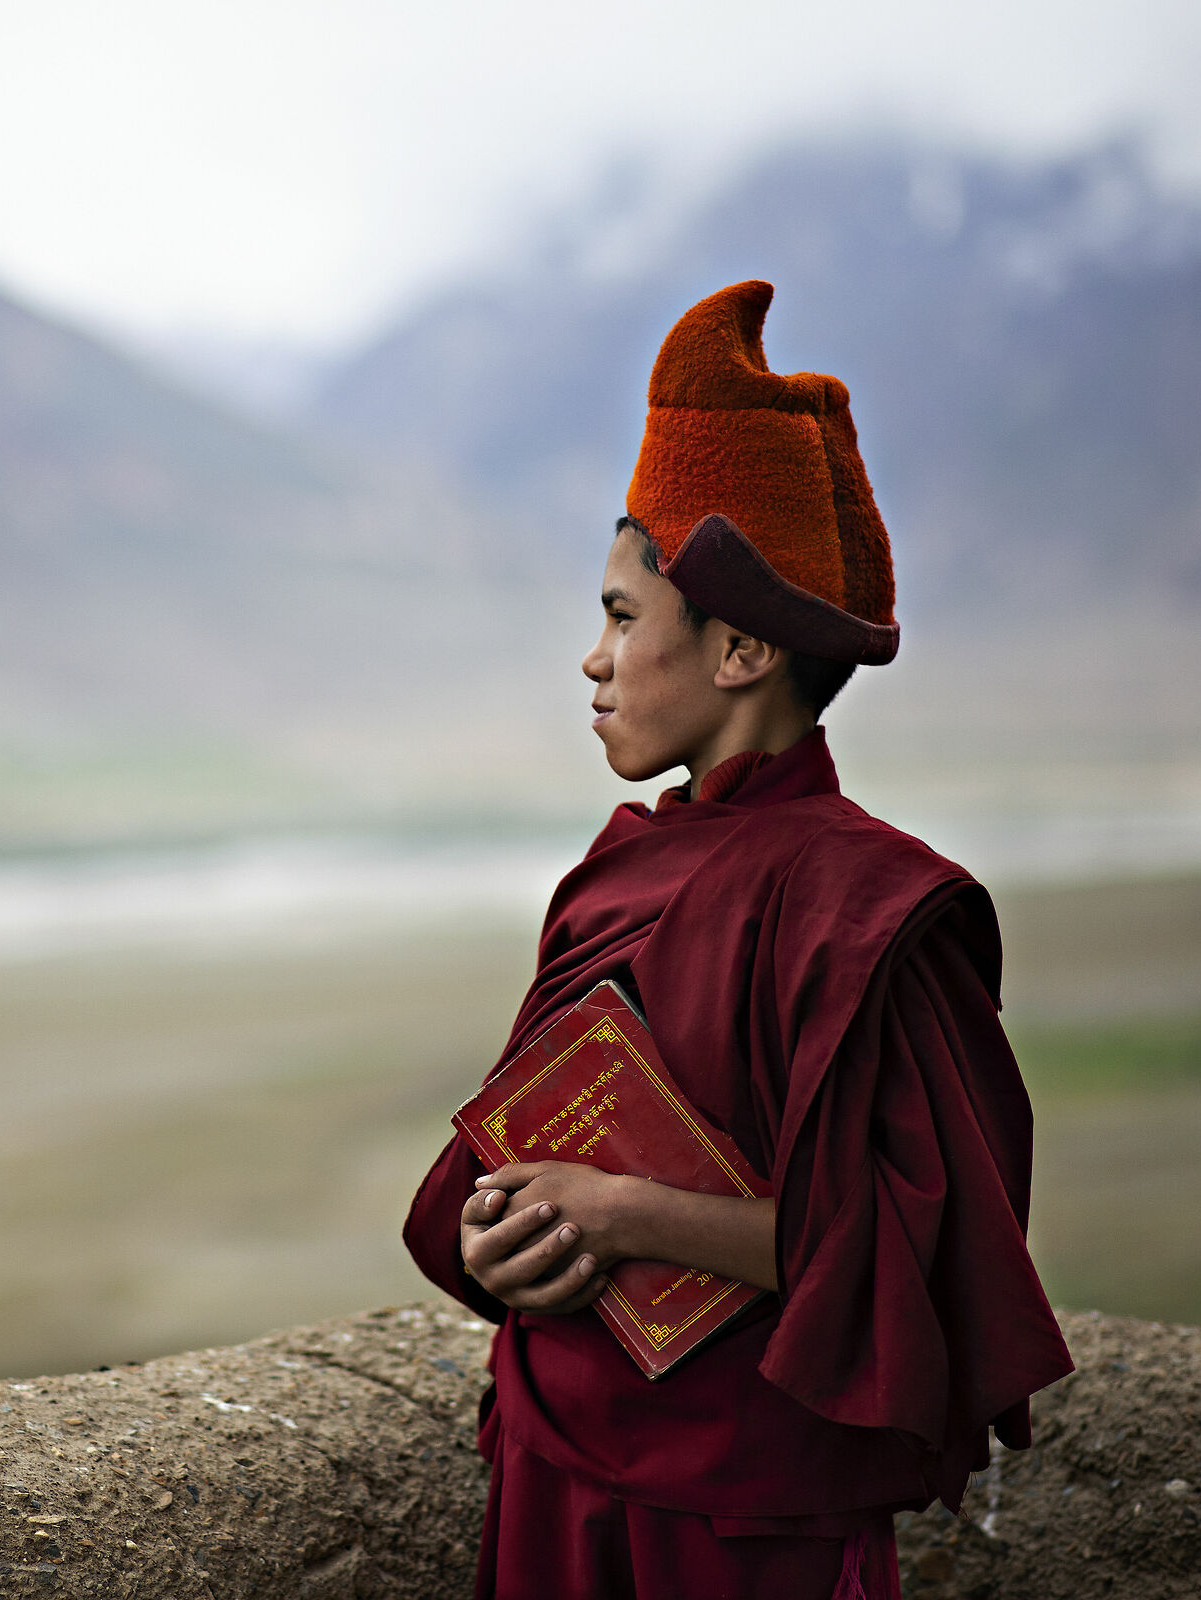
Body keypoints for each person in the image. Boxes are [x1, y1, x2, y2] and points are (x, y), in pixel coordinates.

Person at [403, 280, 1074, 1600]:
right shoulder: (618, 871)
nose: (592, 661)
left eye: (619, 616)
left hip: (752, 1523)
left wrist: (629, 1213)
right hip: (552, 1470)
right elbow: (508, 1144)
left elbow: (909, 1257)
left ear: (741, 647)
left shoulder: (874, 912)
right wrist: (498, 1237)